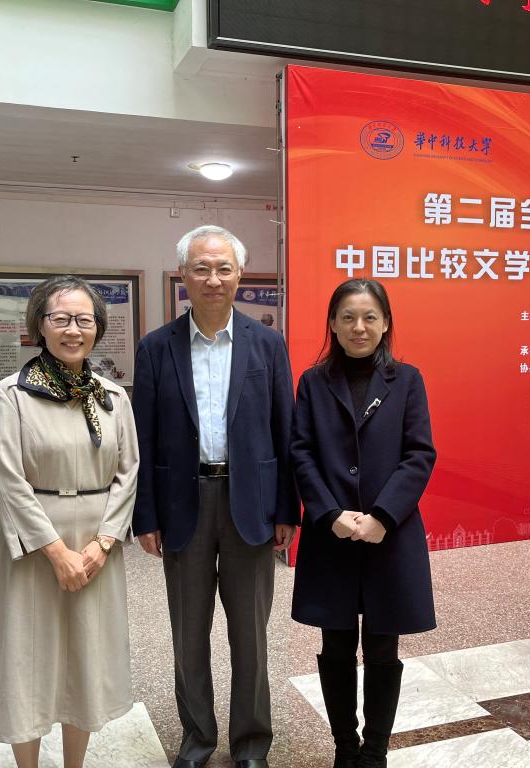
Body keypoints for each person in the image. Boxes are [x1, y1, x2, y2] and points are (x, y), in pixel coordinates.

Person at [131, 225, 298, 768]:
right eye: (201, 268)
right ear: (183, 274)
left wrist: (287, 509)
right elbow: (143, 437)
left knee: (251, 634)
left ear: (239, 275)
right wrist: (145, 515)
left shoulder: (268, 344)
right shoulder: (156, 348)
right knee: (189, 632)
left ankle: (251, 743)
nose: (213, 278)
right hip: (183, 504)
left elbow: (285, 431)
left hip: (251, 503)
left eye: (223, 268)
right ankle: (197, 739)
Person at [0, 275, 139, 768]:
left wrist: (104, 542)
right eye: (61, 318)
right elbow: (10, 479)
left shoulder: (112, 396)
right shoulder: (10, 395)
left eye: (84, 320)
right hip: (36, 545)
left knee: (86, 658)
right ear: (39, 326)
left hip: (95, 544)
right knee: (28, 656)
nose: (73, 330)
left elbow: (128, 472)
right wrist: (55, 551)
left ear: (98, 328)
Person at [290, 279, 436, 768]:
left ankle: (374, 754)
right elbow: (301, 453)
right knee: (335, 645)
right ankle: (345, 749)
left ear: (386, 323)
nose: (359, 327)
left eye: (370, 317)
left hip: (388, 536)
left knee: (382, 646)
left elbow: (419, 454)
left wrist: (383, 516)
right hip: (331, 535)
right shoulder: (313, 382)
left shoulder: (407, 380)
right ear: (332, 324)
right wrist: (329, 514)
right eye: (348, 317)